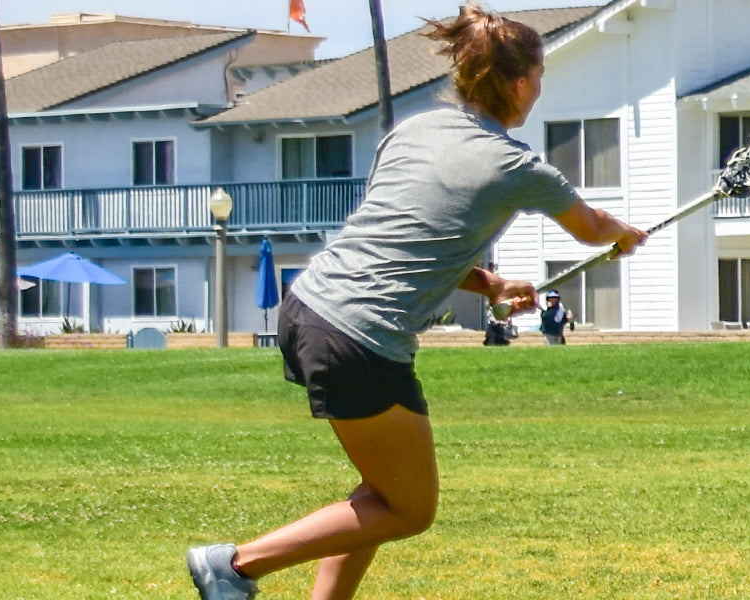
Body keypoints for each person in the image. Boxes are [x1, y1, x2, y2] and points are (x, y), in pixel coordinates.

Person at [184, 4, 650, 599]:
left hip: (309, 308)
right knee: (409, 508)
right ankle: (236, 565)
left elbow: (407, 239)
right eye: (538, 76)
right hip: (358, 336)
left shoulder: (410, 131)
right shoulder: (517, 166)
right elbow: (590, 226)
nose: (539, 87)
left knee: (381, 491)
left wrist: (491, 285)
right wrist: (624, 235)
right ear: (517, 83)